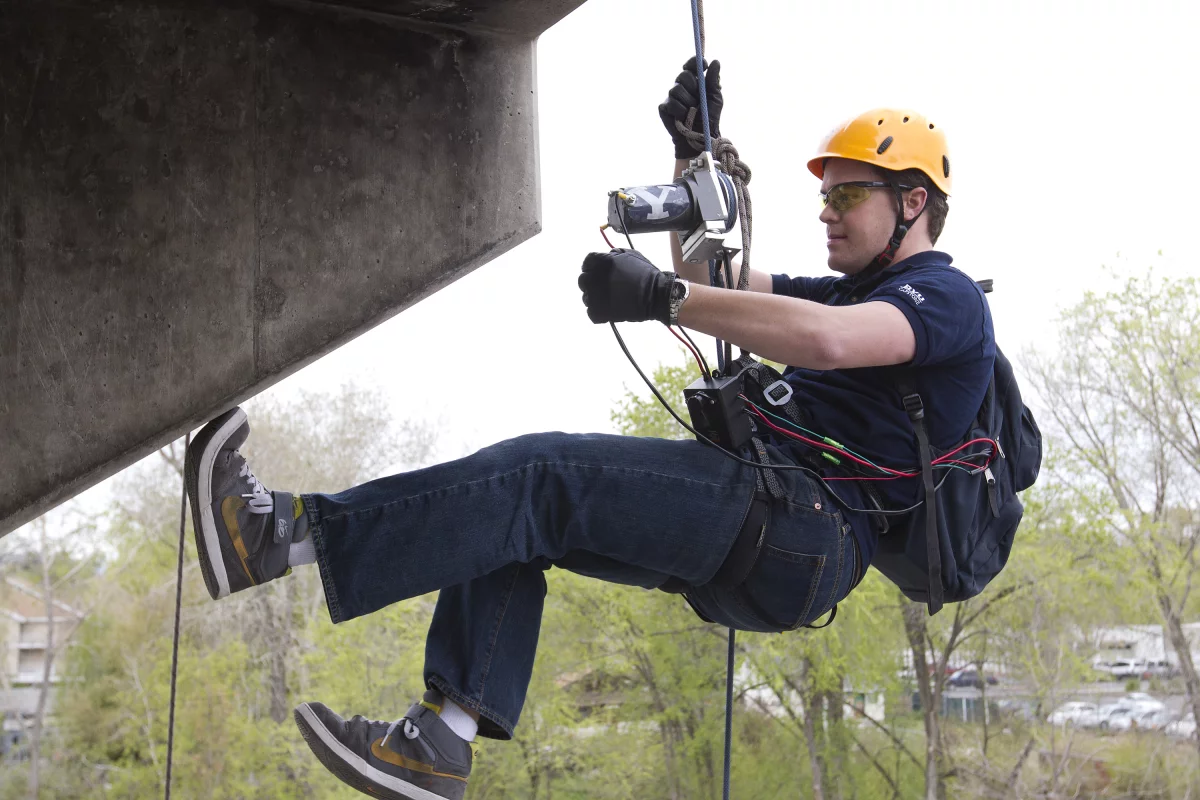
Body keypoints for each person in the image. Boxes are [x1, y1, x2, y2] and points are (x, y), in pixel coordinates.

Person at [183, 58, 994, 800]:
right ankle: (438, 742)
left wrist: (663, 304)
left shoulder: (945, 300)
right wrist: (692, 159)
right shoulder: (844, 290)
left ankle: (274, 535)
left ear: (913, 203)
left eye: (846, 194)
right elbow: (709, 276)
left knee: (541, 476)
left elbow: (821, 341)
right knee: (514, 522)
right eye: (824, 195)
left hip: (806, 529)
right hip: (778, 532)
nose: (826, 211)